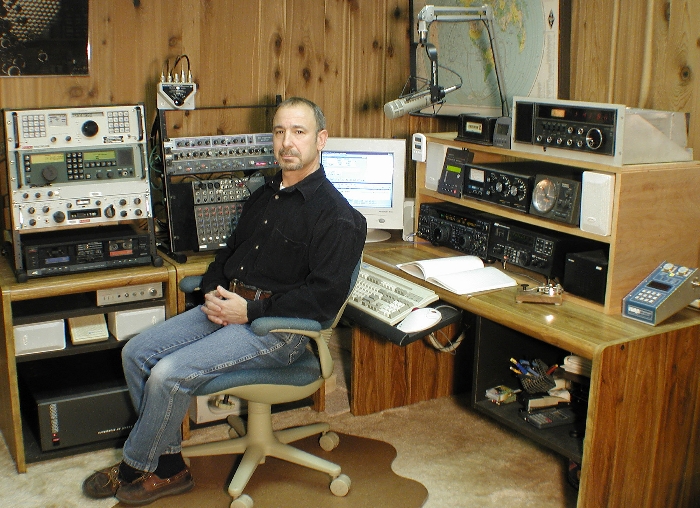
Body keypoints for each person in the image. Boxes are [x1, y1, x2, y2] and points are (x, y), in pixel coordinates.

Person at [82, 97, 367, 505]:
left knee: (167, 373)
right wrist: (213, 290)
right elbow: (229, 254)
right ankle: (169, 466)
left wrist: (249, 311)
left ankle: (134, 465)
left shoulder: (338, 216)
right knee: (136, 352)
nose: (287, 142)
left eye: (299, 132)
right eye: (279, 132)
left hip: (277, 329)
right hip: (230, 304)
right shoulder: (264, 195)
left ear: (321, 139)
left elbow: (322, 300)